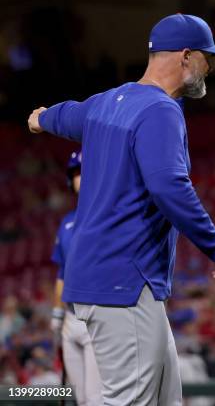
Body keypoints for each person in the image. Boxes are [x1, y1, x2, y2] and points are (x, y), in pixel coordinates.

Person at [27, 14, 215, 405]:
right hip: (121, 278)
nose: (211, 65)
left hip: (103, 277)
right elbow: (168, 186)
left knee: (165, 398)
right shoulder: (160, 109)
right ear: (186, 56)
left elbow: (64, 114)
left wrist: (40, 118)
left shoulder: (106, 102)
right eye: (208, 56)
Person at [50, 151, 103, 405]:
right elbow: (62, 272)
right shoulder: (66, 223)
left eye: (85, 171)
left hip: (97, 314)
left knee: (96, 399)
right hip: (70, 317)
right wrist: (56, 314)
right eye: (76, 173)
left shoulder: (108, 217)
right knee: (80, 398)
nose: (81, 178)